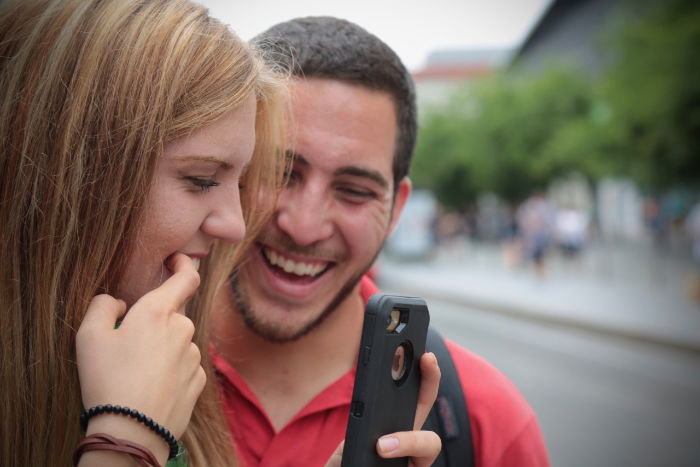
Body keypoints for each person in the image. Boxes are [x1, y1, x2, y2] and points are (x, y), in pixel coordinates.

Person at [210, 16, 550, 467]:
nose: (305, 226)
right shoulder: (108, 372)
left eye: (354, 191)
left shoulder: (489, 421)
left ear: (396, 210)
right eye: (278, 173)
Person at [0, 0, 286, 465]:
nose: (234, 225)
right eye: (201, 179)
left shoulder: (166, 367)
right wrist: (126, 441)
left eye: (242, 182)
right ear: (68, 175)